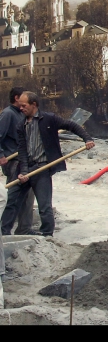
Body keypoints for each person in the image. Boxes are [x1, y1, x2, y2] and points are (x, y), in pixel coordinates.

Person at [10, 92, 95, 237]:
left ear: (34, 105)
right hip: (28, 167)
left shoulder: (49, 119)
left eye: (24, 106)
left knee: (44, 206)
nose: (21, 108)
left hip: (42, 168)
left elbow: (71, 125)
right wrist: (23, 171)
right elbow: (22, 151)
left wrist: (87, 139)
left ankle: (47, 235)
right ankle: (7, 231)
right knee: (13, 201)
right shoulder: (21, 125)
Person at [1, 87, 36, 236]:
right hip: (13, 161)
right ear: (16, 98)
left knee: (28, 196)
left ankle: (24, 229)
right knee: (15, 198)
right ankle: (4, 231)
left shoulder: (21, 115)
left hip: (24, 160)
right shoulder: (8, 114)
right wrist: (1, 154)